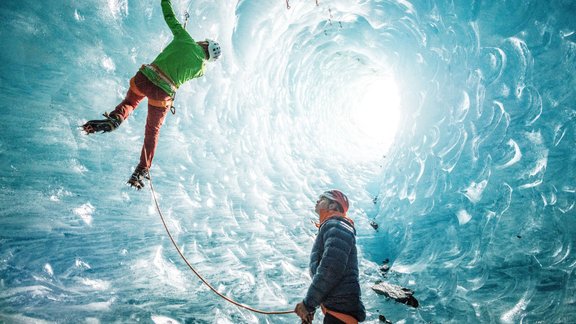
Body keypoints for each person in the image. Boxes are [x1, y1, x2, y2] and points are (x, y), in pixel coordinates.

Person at [82, 0, 221, 189]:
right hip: (163, 93)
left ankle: (115, 119)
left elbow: (169, 17)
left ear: (205, 43)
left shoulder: (185, 38)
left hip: (145, 77)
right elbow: (191, 63)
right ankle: (141, 169)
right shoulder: (201, 69)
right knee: (152, 131)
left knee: (130, 102)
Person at [295, 190, 366, 323]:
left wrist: (308, 304)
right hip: (338, 311)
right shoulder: (333, 226)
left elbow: (331, 268)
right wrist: (313, 306)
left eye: (322, 198)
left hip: (340, 312)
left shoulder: (337, 225)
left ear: (333, 205)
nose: (317, 201)